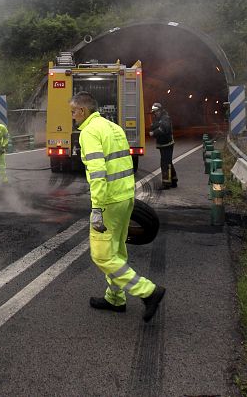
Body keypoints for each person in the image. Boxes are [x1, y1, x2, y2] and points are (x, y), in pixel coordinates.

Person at [69, 91, 166, 321]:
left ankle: (148, 291)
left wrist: (97, 208)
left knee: (102, 256)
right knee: (117, 251)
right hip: (126, 197)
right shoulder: (113, 127)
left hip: (109, 202)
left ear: (82, 111)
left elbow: (97, 172)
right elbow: (126, 164)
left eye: (73, 111)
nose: (72, 116)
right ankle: (115, 298)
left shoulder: (89, 132)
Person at [149, 102, 178, 190]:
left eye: (156, 111)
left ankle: (166, 183)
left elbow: (164, 129)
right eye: (154, 112)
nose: (155, 113)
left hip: (167, 144)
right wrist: (155, 127)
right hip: (162, 144)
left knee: (165, 163)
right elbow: (153, 126)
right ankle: (174, 180)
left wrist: (154, 133)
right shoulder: (158, 119)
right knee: (168, 162)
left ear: (160, 110)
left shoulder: (165, 118)